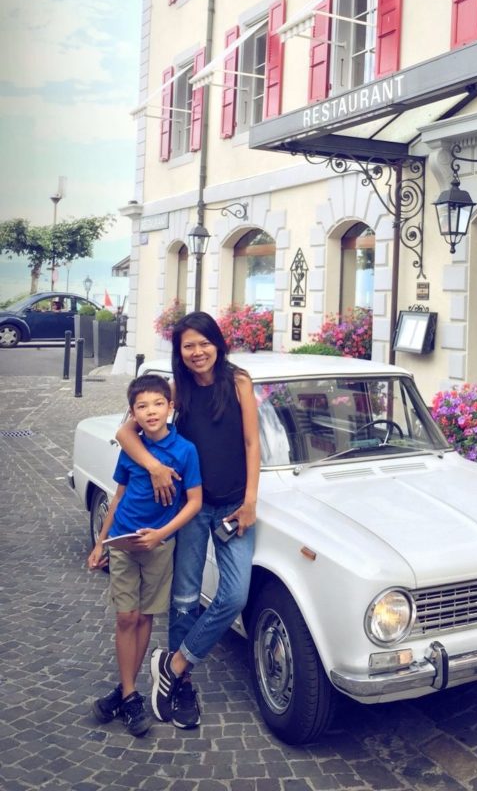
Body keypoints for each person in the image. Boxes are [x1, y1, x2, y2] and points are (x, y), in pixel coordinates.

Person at [115, 311, 260, 730]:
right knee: (184, 600)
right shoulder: (176, 392)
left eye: (204, 343)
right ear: (180, 351)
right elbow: (127, 433)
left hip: (234, 506)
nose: (198, 352)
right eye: (188, 346)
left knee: (234, 596)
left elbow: (252, 442)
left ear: (218, 343)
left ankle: (174, 664)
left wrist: (251, 500)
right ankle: (181, 688)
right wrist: (156, 469)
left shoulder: (238, 382)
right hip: (192, 510)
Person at [89, 374, 202, 737]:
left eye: (158, 404)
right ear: (132, 413)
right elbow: (118, 495)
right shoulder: (131, 448)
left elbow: (195, 502)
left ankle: (126, 694)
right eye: (141, 406)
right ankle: (129, 693)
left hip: (159, 547)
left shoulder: (185, 451)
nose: (150, 411)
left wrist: (161, 535)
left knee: (144, 618)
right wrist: (100, 541)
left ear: (171, 407)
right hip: (123, 542)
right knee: (126, 617)